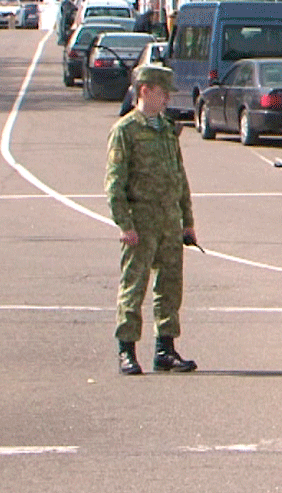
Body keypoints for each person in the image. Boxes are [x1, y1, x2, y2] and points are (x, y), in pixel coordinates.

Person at [106, 64, 199, 375]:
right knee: (134, 285)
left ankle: (166, 348)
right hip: (141, 218)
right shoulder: (126, 131)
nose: (167, 98)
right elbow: (115, 182)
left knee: (170, 287)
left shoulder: (166, 129)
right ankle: (127, 349)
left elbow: (180, 177)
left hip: (169, 218)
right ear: (144, 90)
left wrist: (187, 220)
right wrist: (125, 224)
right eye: (163, 92)